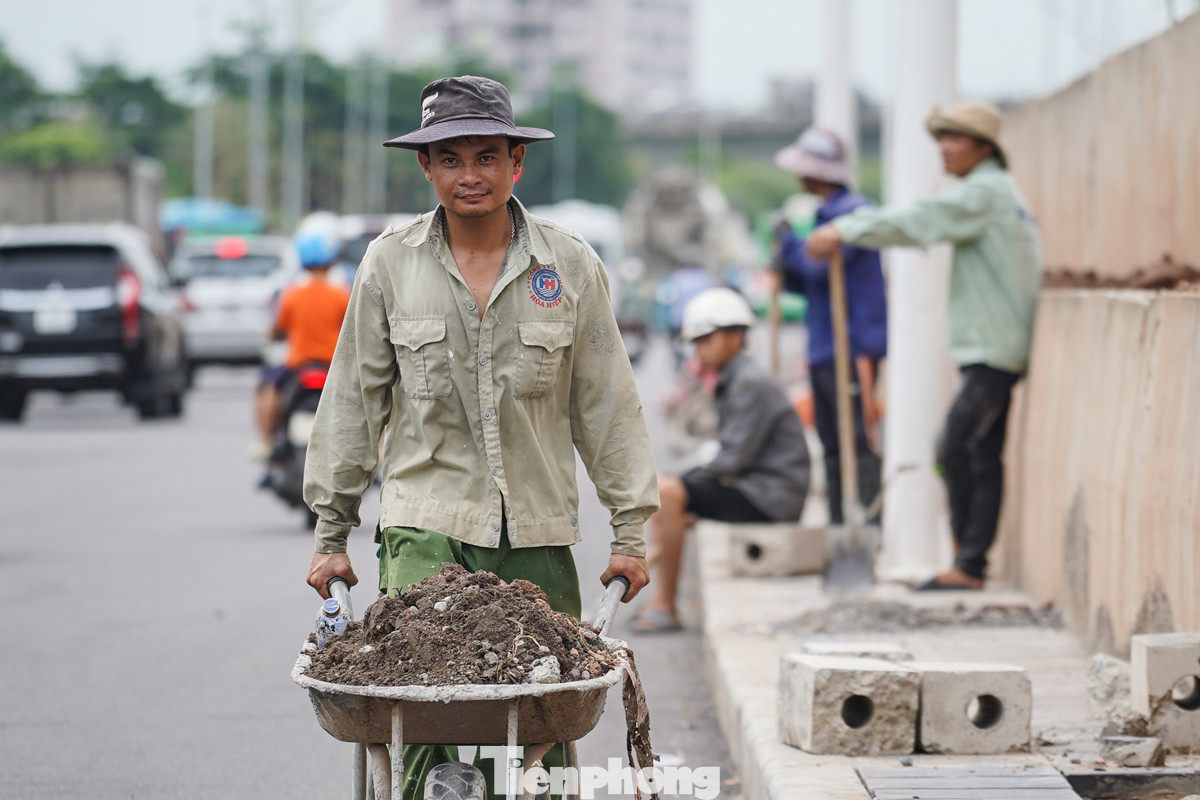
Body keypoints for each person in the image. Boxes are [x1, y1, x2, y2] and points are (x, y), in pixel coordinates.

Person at [301, 75, 659, 798]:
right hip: (424, 533)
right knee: (420, 733)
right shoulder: (389, 263)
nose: (472, 175)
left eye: (488, 156)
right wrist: (331, 532)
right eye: (453, 159)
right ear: (426, 169)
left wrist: (630, 530)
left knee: (539, 727)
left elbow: (608, 405)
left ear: (516, 164)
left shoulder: (570, 265)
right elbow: (352, 401)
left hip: (536, 536)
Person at [806, 100, 1043, 591]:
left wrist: (845, 229)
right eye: (942, 138)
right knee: (980, 454)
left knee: (952, 448)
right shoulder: (998, 191)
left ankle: (968, 561)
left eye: (955, 139)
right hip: (994, 345)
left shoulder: (984, 192)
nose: (944, 149)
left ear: (984, 147)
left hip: (994, 349)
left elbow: (919, 219)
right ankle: (971, 563)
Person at [632, 287, 810, 632]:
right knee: (672, 490)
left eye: (706, 339)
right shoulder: (734, 377)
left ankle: (665, 605)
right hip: (757, 486)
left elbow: (731, 459)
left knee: (668, 493)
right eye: (696, 342)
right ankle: (661, 599)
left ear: (735, 336)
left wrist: (684, 483)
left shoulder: (748, 382)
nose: (699, 349)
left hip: (771, 496)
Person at [773, 127, 887, 525]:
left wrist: (790, 247)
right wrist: (784, 263)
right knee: (831, 441)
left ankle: (871, 526)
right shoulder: (824, 214)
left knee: (858, 438)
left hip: (852, 347)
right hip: (824, 346)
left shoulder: (853, 214)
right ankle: (839, 526)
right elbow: (808, 283)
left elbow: (820, 269)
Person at [252, 224, 351, 458]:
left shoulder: (292, 293)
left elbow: (278, 328)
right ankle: (377, 448)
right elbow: (351, 327)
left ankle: (265, 442)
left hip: (299, 366)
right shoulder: (340, 293)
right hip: (333, 367)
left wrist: (274, 334)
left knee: (267, 390)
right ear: (331, 260)